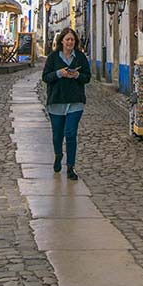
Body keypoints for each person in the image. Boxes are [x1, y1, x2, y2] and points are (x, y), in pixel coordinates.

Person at [41, 27, 90, 179]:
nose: (70, 42)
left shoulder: (80, 57)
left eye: (72, 40)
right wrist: (58, 73)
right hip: (56, 101)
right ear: (61, 40)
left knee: (70, 132)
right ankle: (57, 155)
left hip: (75, 101)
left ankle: (70, 167)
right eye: (67, 39)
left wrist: (76, 75)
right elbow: (45, 77)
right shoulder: (53, 58)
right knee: (57, 134)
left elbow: (87, 77)